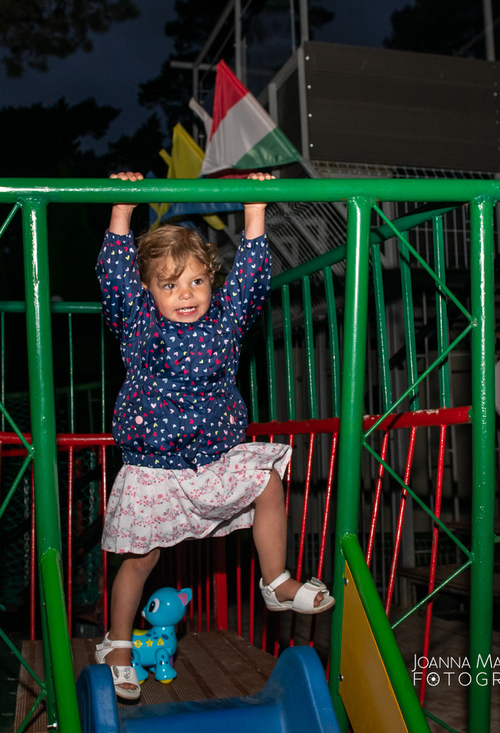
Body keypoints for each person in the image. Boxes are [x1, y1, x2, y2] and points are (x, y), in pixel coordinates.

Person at [94, 171, 334, 701]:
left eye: (196, 281)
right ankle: (116, 643)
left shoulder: (225, 321)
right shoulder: (139, 325)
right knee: (140, 561)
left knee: (269, 480)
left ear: (212, 283)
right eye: (169, 283)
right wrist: (121, 211)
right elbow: (114, 278)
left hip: (213, 460)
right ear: (148, 289)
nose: (185, 294)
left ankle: (276, 583)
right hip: (155, 467)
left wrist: (254, 209)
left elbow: (250, 277)